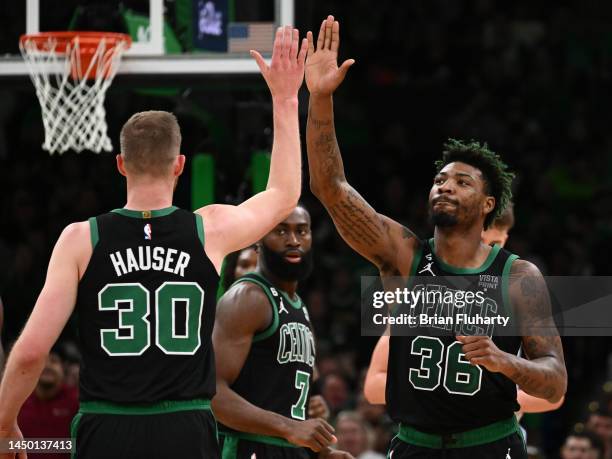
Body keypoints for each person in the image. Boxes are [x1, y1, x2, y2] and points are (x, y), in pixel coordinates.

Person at [0, 25, 307, 459]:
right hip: (186, 425)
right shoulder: (209, 230)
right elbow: (284, 194)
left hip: (107, 425)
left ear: (121, 164)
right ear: (179, 165)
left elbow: (32, 351)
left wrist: (5, 419)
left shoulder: (81, 239)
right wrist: (286, 98)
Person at [305, 15, 567, 459]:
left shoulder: (518, 275)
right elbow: (330, 189)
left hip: (490, 443)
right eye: (441, 179)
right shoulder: (405, 255)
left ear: (488, 205)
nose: (445, 186)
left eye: (463, 182)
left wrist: (505, 361)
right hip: (414, 445)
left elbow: (555, 378)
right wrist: (320, 99)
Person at [363, 205, 564, 415]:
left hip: (494, 436)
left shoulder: (521, 292)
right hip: (425, 434)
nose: (485, 251)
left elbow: (553, 395)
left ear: (506, 238)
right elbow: (373, 385)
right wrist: (448, 394)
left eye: (495, 243)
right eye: (478, 243)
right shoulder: (421, 294)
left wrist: (492, 395)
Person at [213, 206, 352, 458]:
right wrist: (290, 428)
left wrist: (321, 452)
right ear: (259, 240)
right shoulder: (248, 297)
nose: (293, 240)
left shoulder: (297, 303)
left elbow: (283, 402)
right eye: (281, 231)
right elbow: (210, 392)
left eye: (302, 231)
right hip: (248, 449)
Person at [17, 348, 78, 459]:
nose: (47, 366)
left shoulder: (76, 401)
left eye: (53, 361)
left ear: (63, 368)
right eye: (42, 362)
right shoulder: (18, 402)